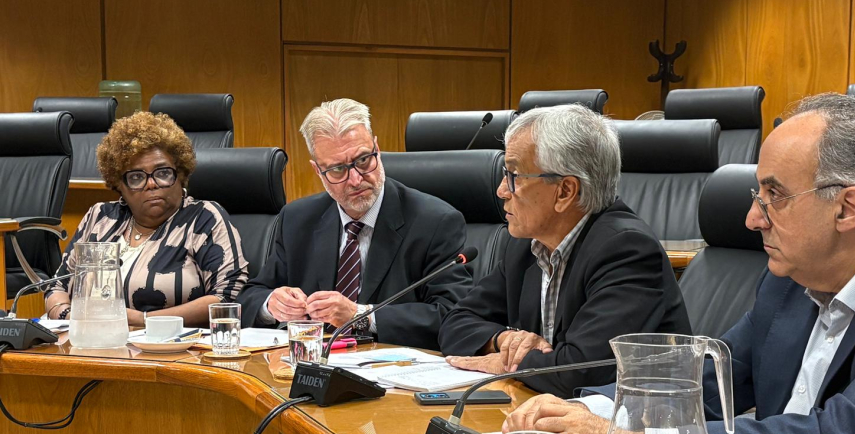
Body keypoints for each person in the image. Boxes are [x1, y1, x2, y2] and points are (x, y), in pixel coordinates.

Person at [503, 92, 855, 434]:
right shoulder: (788, 280)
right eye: (758, 194)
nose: (753, 218)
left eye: (775, 196)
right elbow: (708, 382)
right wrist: (581, 412)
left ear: (848, 208)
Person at [439, 103, 690, 397]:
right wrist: (504, 339)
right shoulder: (525, 244)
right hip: (541, 411)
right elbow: (454, 324)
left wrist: (507, 364)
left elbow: (581, 371)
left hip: (631, 429)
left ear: (565, 191)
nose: (501, 191)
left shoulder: (627, 251)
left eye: (514, 176)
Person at [237, 98, 471, 350]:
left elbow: (452, 315)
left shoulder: (435, 221)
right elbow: (251, 296)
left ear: (377, 149)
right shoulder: (297, 219)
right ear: (318, 171)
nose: (356, 179)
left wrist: (360, 316)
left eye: (363, 160)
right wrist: (272, 303)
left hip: (392, 369)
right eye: (338, 170)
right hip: (311, 365)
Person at [45, 111, 248, 326]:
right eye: (136, 177)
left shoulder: (203, 219)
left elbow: (227, 297)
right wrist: (69, 316)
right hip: (95, 345)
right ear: (119, 185)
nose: (151, 184)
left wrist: (143, 320)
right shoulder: (101, 217)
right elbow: (57, 287)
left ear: (180, 174)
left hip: (175, 351)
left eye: (162, 173)